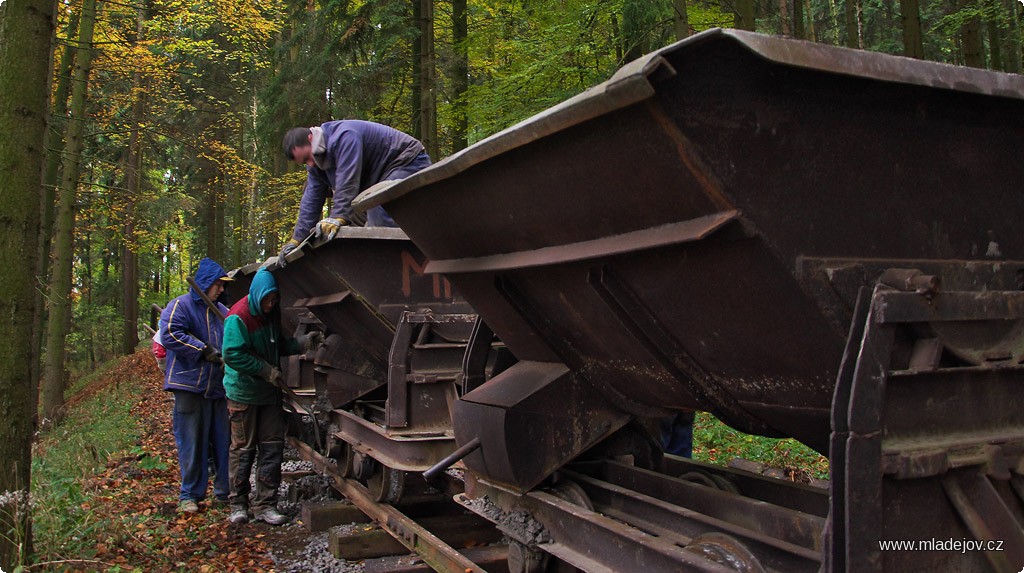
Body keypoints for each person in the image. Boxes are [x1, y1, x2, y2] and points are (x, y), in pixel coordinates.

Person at [221, 268, 322, 525]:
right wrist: (265, 370)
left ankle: (266, 504)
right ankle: (238, 504)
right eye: (267, 300)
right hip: (243, 394)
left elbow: (277, 344)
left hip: (269, 395)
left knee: (271, 448)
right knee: (243, 450)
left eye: (274, 299)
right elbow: (232, 354)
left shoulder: (271, 314)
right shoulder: (239, 316)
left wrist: (300, 344)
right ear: (256, 296)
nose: (270, 304)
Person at [278, 120, 431, 259]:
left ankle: (403, 260)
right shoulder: (315, 164)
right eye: (304, 162)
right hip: (379, 178)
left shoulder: (344, 136)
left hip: (407, 161)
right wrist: (297, 240)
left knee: (378, 204)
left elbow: (348, 179)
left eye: (307, 158)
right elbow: (311, 200)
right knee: (363, 212)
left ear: (311, 139)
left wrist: (338, 216)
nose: (310, 164)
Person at [159, 258, 233, 513]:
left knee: (224, 441)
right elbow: (170, 333)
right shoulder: (180, 305)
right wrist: (202, 350)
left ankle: (224, 492)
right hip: (189, 385)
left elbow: (234, 339)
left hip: (219, 388)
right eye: (218, 285)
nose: (221, 290)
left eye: (223, 286)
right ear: (206, 283)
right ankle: (190, 494)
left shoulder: (223, 312)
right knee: (192, 441)